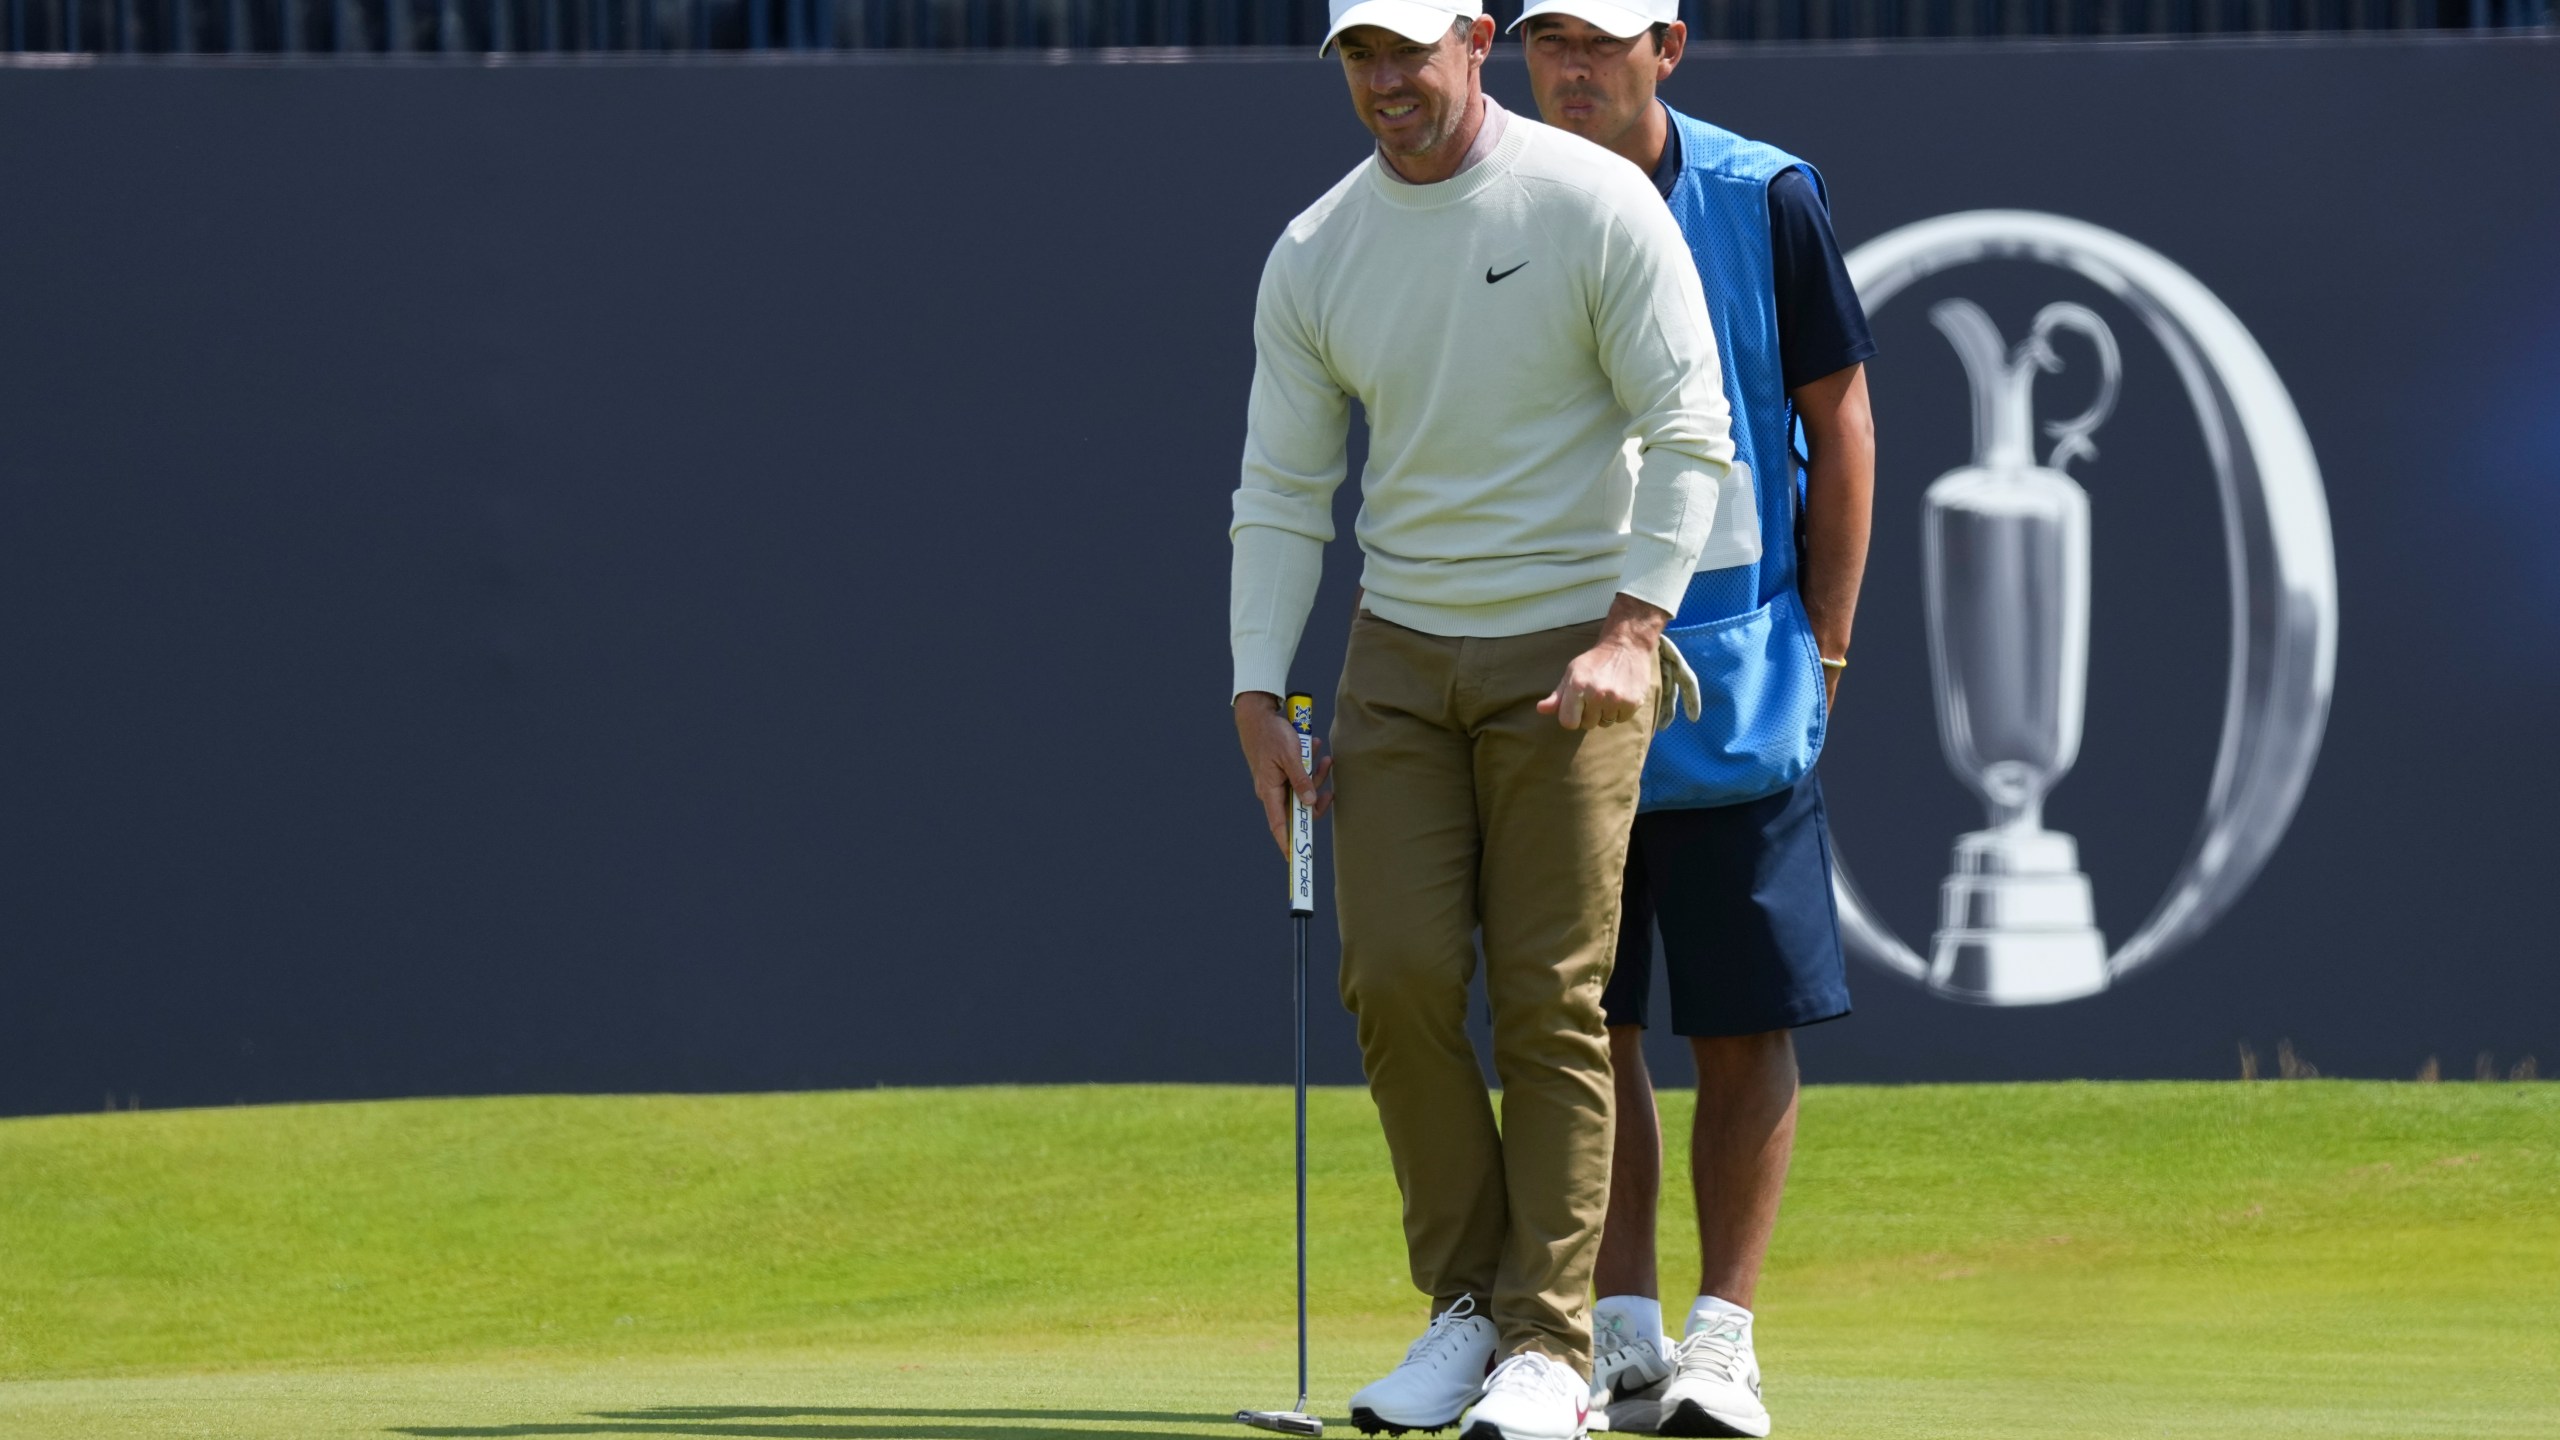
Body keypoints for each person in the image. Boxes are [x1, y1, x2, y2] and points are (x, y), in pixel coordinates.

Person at [1227, 1, 1742, 1435]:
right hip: (1399, 651)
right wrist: (1257, 691)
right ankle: (1466, 1308)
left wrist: (1639, 630)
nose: (1386, 83)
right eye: (1357, 58)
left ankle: (1547, 1347)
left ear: (1473, 36)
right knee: (1391, 976)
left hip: (1576, 642)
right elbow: (1281, 489)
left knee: (1548, 997)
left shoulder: (1589, 203)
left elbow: (1694, 426)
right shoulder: (1318, 249)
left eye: (1407, 49)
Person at [1517, 3, 1878, 1435]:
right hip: (1549, 682)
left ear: (1670, 45)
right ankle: (1618, 1334)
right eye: (1549, 37)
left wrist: (1830, 643)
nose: (1573, 65)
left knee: (1741, 1021)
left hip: (1736, 675)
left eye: (1602, 39)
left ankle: (1724, 1341)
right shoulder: (1485, 198)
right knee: (1584, 1025)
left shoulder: (1765, 195)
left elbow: (1837, 412)